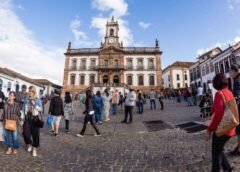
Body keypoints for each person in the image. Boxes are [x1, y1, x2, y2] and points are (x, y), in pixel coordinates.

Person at [206, 73, 234, 172]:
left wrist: (209, 129)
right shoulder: (229, 92)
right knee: (219, 148)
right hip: (231, 127)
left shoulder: (219, 93)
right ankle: (227, 167)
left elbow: (218, 114)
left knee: (215, 154)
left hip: (222, 129)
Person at [22, 86, 43, 157]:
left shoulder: (38, 100)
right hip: (27, 118)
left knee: (35, 135)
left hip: (35, 119)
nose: (30, 93)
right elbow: (22, 110)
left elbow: (41, 110)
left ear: (34, 92)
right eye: (29, 91)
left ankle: (34, 148)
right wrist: (22, 120)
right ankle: (29, 144)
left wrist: (35, 105)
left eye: (31, 91)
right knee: (25, 133)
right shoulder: (26, 99)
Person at [229, 64, 240, 155]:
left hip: (239, 108)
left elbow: (236, 96)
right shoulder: (237, 79)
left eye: (231, 71)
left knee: (239, 129)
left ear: (235, 71)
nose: (230, 73)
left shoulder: (237, 81)